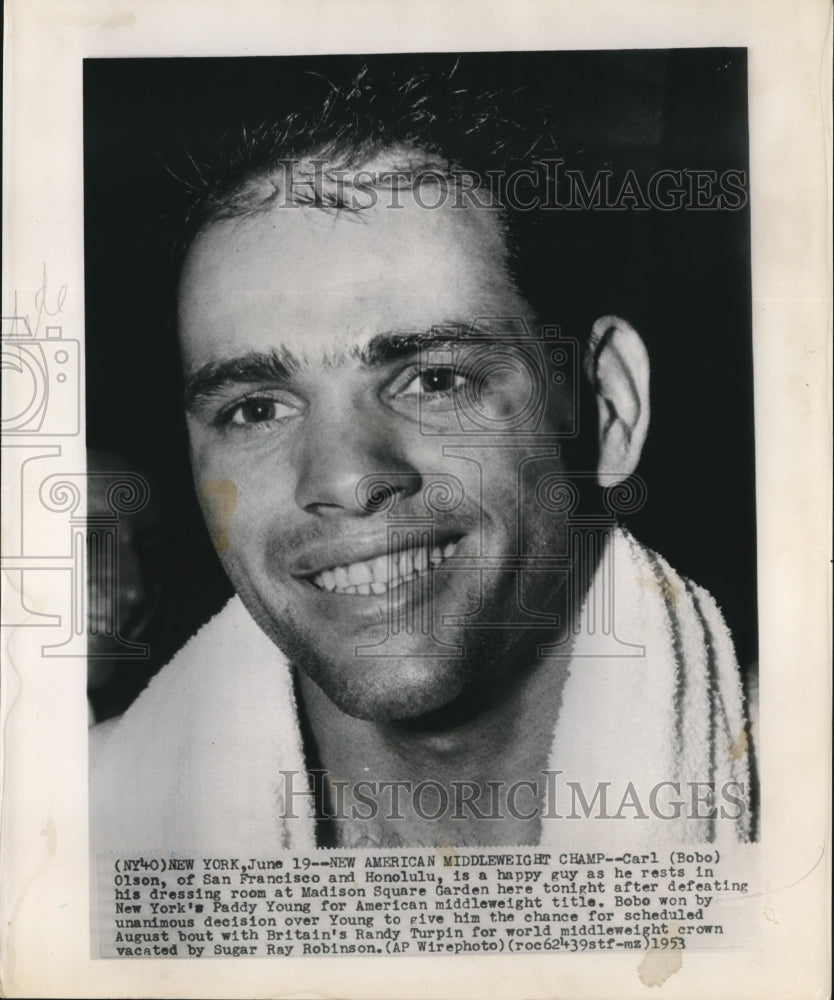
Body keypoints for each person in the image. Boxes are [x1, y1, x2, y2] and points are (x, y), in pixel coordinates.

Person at [90, 63, 755, 853]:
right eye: (256, 408)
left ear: (607, 408)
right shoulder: (76, 836)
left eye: (434, 380)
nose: (342, 478)